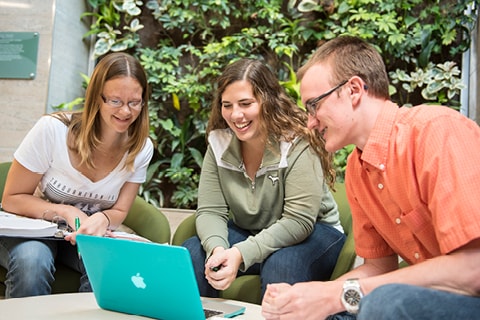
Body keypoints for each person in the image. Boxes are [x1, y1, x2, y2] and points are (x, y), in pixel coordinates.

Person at [261, 35, 480, 320]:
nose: (310, 121)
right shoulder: (357, 169)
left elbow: (473, 268)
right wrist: (312, 296)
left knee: (382, 303)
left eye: (314, 105)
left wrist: (336, 296)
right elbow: (378, 267)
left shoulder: (437, 130)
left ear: (353, 90)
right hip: (439, 300)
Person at [182, 58, 346, 300]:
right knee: (194, 253)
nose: (235, 115)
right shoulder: (219, 143)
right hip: (249, 231)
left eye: (245, 103)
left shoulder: (297, 143)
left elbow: (299, 221)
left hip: (314, 233)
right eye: (227, 105)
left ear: (267, 101)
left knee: (282, 264)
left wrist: (240, 253)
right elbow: (210, 211)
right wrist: (219, 250)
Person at [0, 52, 153, 298]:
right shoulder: (52, 130)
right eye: (115, 101)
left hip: (86, 236)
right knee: (32, 262)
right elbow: (12, 198)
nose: (126, 111)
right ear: (96, 98)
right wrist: (66, 211)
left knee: (107, 266)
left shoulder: (141, 147)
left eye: (134, 102)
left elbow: (120, 211)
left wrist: (102, 219)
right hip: (34, 228)